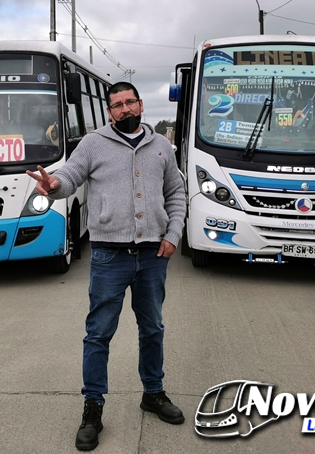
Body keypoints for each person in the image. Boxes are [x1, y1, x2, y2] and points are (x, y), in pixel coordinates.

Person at [26, 82, 186, 451]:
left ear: (141, 105)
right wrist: (52, 185)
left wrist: (173, 234)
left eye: (130, 102)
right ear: (109, 112)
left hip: (152, 256)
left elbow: (176, 192)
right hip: (108, 256)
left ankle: (154, 392)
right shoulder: (93, 144)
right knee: (98, 334)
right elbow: (69, 177)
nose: (125, 109)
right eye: (117, 105)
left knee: (153, 328)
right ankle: (93, 408)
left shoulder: (162, 147)